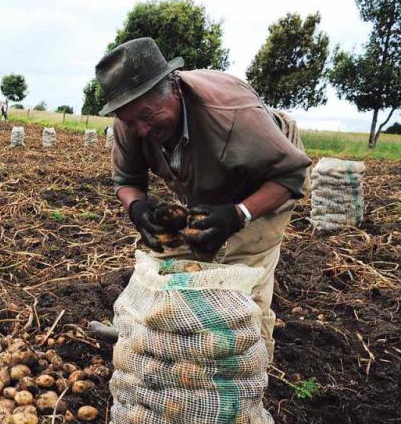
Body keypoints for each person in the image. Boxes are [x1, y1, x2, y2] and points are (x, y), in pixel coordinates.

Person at [94, 37, 311, 361]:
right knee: (177, 256)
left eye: (148, 116)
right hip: (207, 178)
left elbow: (292, 176)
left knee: (243, 275)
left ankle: (250, 367)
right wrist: (136, 207)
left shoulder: (231, 113)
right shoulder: (131, 121)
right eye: (130, 121)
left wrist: (238, 214)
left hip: (267, 177)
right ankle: (141, 333)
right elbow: (127, 181)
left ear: (175, 90)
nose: (140, 129)